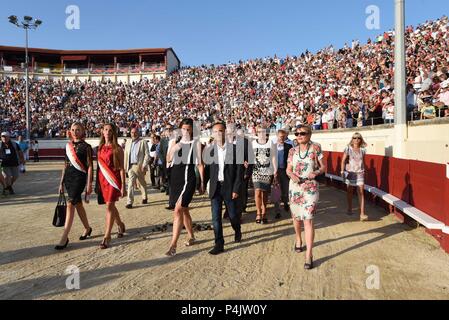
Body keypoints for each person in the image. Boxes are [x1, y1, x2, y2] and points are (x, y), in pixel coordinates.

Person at [286, 125, 326, 270]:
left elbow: (323, 167)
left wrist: (316, 173)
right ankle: (298, 238)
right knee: (296, 217)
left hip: (310, 186)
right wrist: (292, 175)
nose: (299, 135)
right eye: (297, 133)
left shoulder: (316, 148)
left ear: (309, 134)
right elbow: (288, 169)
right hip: (295, 186)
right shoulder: (292, 150)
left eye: (302, 133)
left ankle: (309, 254)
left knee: (308, 218)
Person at [165, 118, 205, 256]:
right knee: (184, 210)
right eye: (184, 129)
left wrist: (202, 182)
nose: (186, 131)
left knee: (178, 210)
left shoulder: (196, 143)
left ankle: (173, 245)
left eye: (189, 129)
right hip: (176, 178)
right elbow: (168, 160)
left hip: (189, 179)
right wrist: (173, 150)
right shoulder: (174, 142)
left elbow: (200, 164)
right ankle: (191, 236)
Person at [204, 122, 244, 255]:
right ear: (212, 134)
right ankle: (219, 243)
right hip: (215, 188)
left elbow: (239, 172)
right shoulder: (210, 150)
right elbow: (208, 170)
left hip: (229, 187)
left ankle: (237, 230)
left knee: (232, 216)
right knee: (216, 218)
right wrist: (202, 184)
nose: (218, 134)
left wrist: (236, 189)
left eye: (221, 131)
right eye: (215, 131)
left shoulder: (235, 149)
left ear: (225, 132)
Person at [55, 123, 94, 250]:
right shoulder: (68, 146)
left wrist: (89, 184)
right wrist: (61, 182)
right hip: (68, 178)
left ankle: (64, 236)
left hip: (79, 178)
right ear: (70, 131)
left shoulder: (87, 147)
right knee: (78, 204)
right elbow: (65, 164)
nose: (75, 132)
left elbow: (90, 167)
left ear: (82, 131)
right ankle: (87, 228)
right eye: (73, 130)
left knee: (71, 203)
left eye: (78, 130)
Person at [97, 123, 126, 249]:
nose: (108, 132)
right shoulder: (100, 147)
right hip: (103, 180)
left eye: (110, 130)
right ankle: (120, 224)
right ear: (102, 132)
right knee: (111, 205)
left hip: (113, 180)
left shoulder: (118, 149)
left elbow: (121, 169)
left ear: (114, 133)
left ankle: (107, 236)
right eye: (106, 129)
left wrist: (123, 185)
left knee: (109, 205)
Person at [252, 125, 277, 224]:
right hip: (256, 171)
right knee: (257, 191)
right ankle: (258, 212)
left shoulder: (271, 142)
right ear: (257, 133)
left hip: (268, 170)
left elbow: (274, 157)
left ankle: (264, 212)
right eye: (259, 132)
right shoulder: (253, 143)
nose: (261, 134)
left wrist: (275, 170)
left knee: (265, 193)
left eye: (263, 132)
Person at [341, 133, 369, 221]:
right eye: (354, 138)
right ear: (352, 139)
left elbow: (363, 161)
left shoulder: (363, 150)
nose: (356, 139)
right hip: (350, 173)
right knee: (350, 192)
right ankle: (349, 208)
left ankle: (362, 213)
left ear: (361, 139)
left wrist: (365, 170)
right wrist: (342, 171)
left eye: (358, 138)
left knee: (361, 192)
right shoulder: (348, 148)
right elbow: (343, 161)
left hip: (360, 173)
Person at [124, 127, 150, 209]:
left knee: (142, 183)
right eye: (132, 132)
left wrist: (144, 165)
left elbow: (147, 154)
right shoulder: (128, 142)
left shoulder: (143, 142)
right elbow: (126, 154)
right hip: (130, 166)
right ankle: (129, 202)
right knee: (130, 184)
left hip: (139, 166)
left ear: (138, 133)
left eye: (135, 132)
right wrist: (125, 167)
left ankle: (144, 197)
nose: (133, 134)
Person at [273, 129, 292, 219]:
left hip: (285, 171)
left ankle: (285, 202)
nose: (282, 138)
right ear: (277, 136)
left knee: (285, 190)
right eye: (281, 136)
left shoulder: (289, 146)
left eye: (284, 137)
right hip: (275, 171)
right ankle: (277, 211)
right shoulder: (272, 146)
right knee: (276, 191)